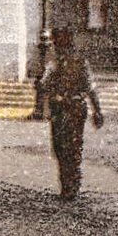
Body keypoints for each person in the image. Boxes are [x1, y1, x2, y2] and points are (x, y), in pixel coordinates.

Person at [42, 28, 103, 201]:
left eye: (58, 43)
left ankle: (71, 187)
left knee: (71, 147)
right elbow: (45, 86)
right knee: (61, 147)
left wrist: (97, 110)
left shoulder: (80, 62)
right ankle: (67, 186)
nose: (55, 46)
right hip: (60, 108)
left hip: (74, 107)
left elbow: (90, 88)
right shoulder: (54, 63)